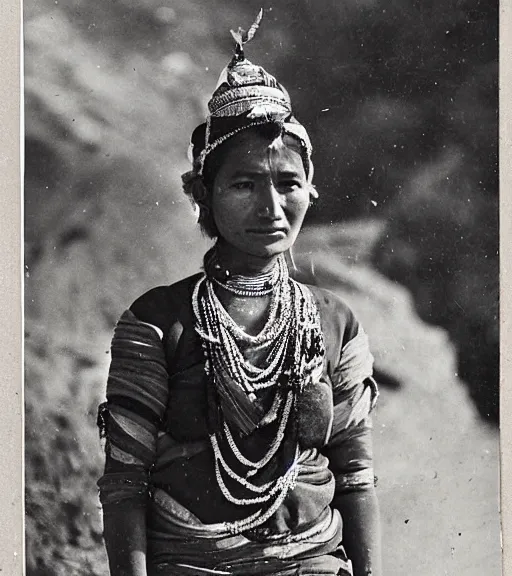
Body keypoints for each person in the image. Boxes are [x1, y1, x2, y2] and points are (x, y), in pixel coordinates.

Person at [97, 12, 382, 576]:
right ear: (204, 194)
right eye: (245, 184)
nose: (271, 208)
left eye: (288, 184)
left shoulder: (336, 322)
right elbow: (125, 484)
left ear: (310, 188)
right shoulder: (157, 322)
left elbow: (356, 474)